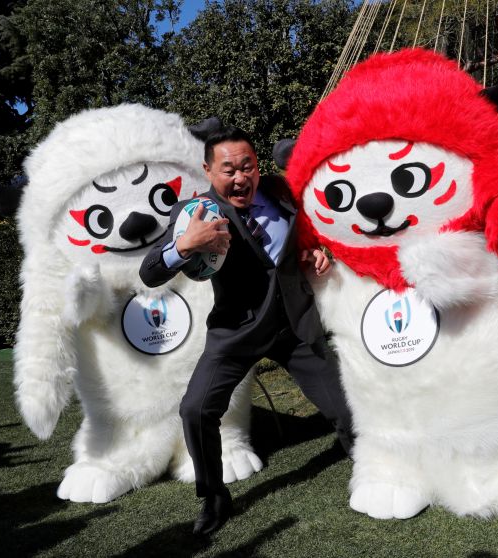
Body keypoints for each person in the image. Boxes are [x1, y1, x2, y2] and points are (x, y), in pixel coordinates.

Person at [139, 125, 354, 536]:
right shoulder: (193, 214)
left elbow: (318, 228)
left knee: (347, 409)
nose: (240, 178)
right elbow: (149, 272)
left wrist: (318, 253)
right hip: (236, 331)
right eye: (228, 170)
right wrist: (184, 246)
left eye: (247, 166)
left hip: (295, 325)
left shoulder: (284, 191)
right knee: (196, 410)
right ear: (208, 171)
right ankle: (213, 494)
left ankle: (371, 463)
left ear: (258, 166)